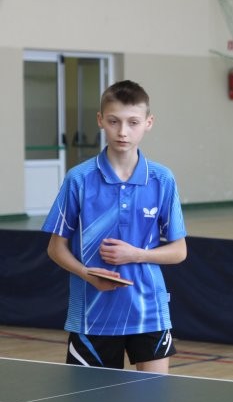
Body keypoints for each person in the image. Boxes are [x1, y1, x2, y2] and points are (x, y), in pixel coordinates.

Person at [41, 80, 187, 374]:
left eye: (133, 122)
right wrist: (88, 275)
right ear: (100, 120)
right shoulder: (79, 179)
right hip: (92, 315)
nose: (122, 131)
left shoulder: (162, 179)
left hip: (149, 311)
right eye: (114, 121)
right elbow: (56, 248)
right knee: (94, 400)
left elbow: (179, 251)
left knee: (154, 398)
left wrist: (136, 254)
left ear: (148, 123)